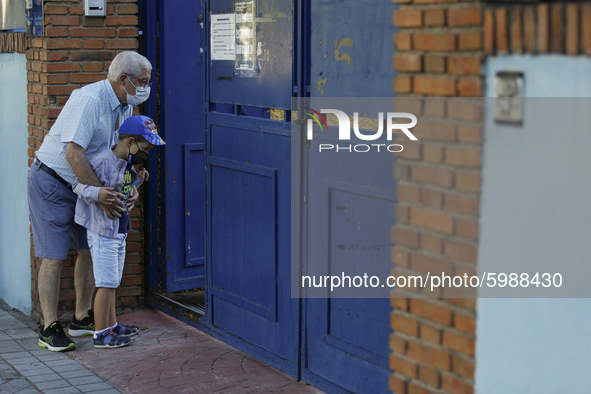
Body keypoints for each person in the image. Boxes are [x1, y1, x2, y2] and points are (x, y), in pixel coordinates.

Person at [27, 51, 153, 352]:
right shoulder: (90, 100)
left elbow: (120, 151)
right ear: (123, 80)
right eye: (143, 82)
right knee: (53, 256)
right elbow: (74, 154)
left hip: (85, 185)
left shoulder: (125, 106)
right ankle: (48, 327)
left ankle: (82, 318)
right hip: (53, 182)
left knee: (87, 250)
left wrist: (128, 185)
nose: (147, 87)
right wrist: (103, 196)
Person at [73, 115, 165, 348]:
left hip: (119, 229)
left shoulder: (128, 164)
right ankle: (101, 333)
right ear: (130, 141)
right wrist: (98, 194)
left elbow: (126, 187)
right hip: (102, 231)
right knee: (105, 282)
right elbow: (77, 186)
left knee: (113, 281)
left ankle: (112, 325)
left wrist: (137, 184)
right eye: (144, 148)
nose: (146, 154)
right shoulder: (102, 161)